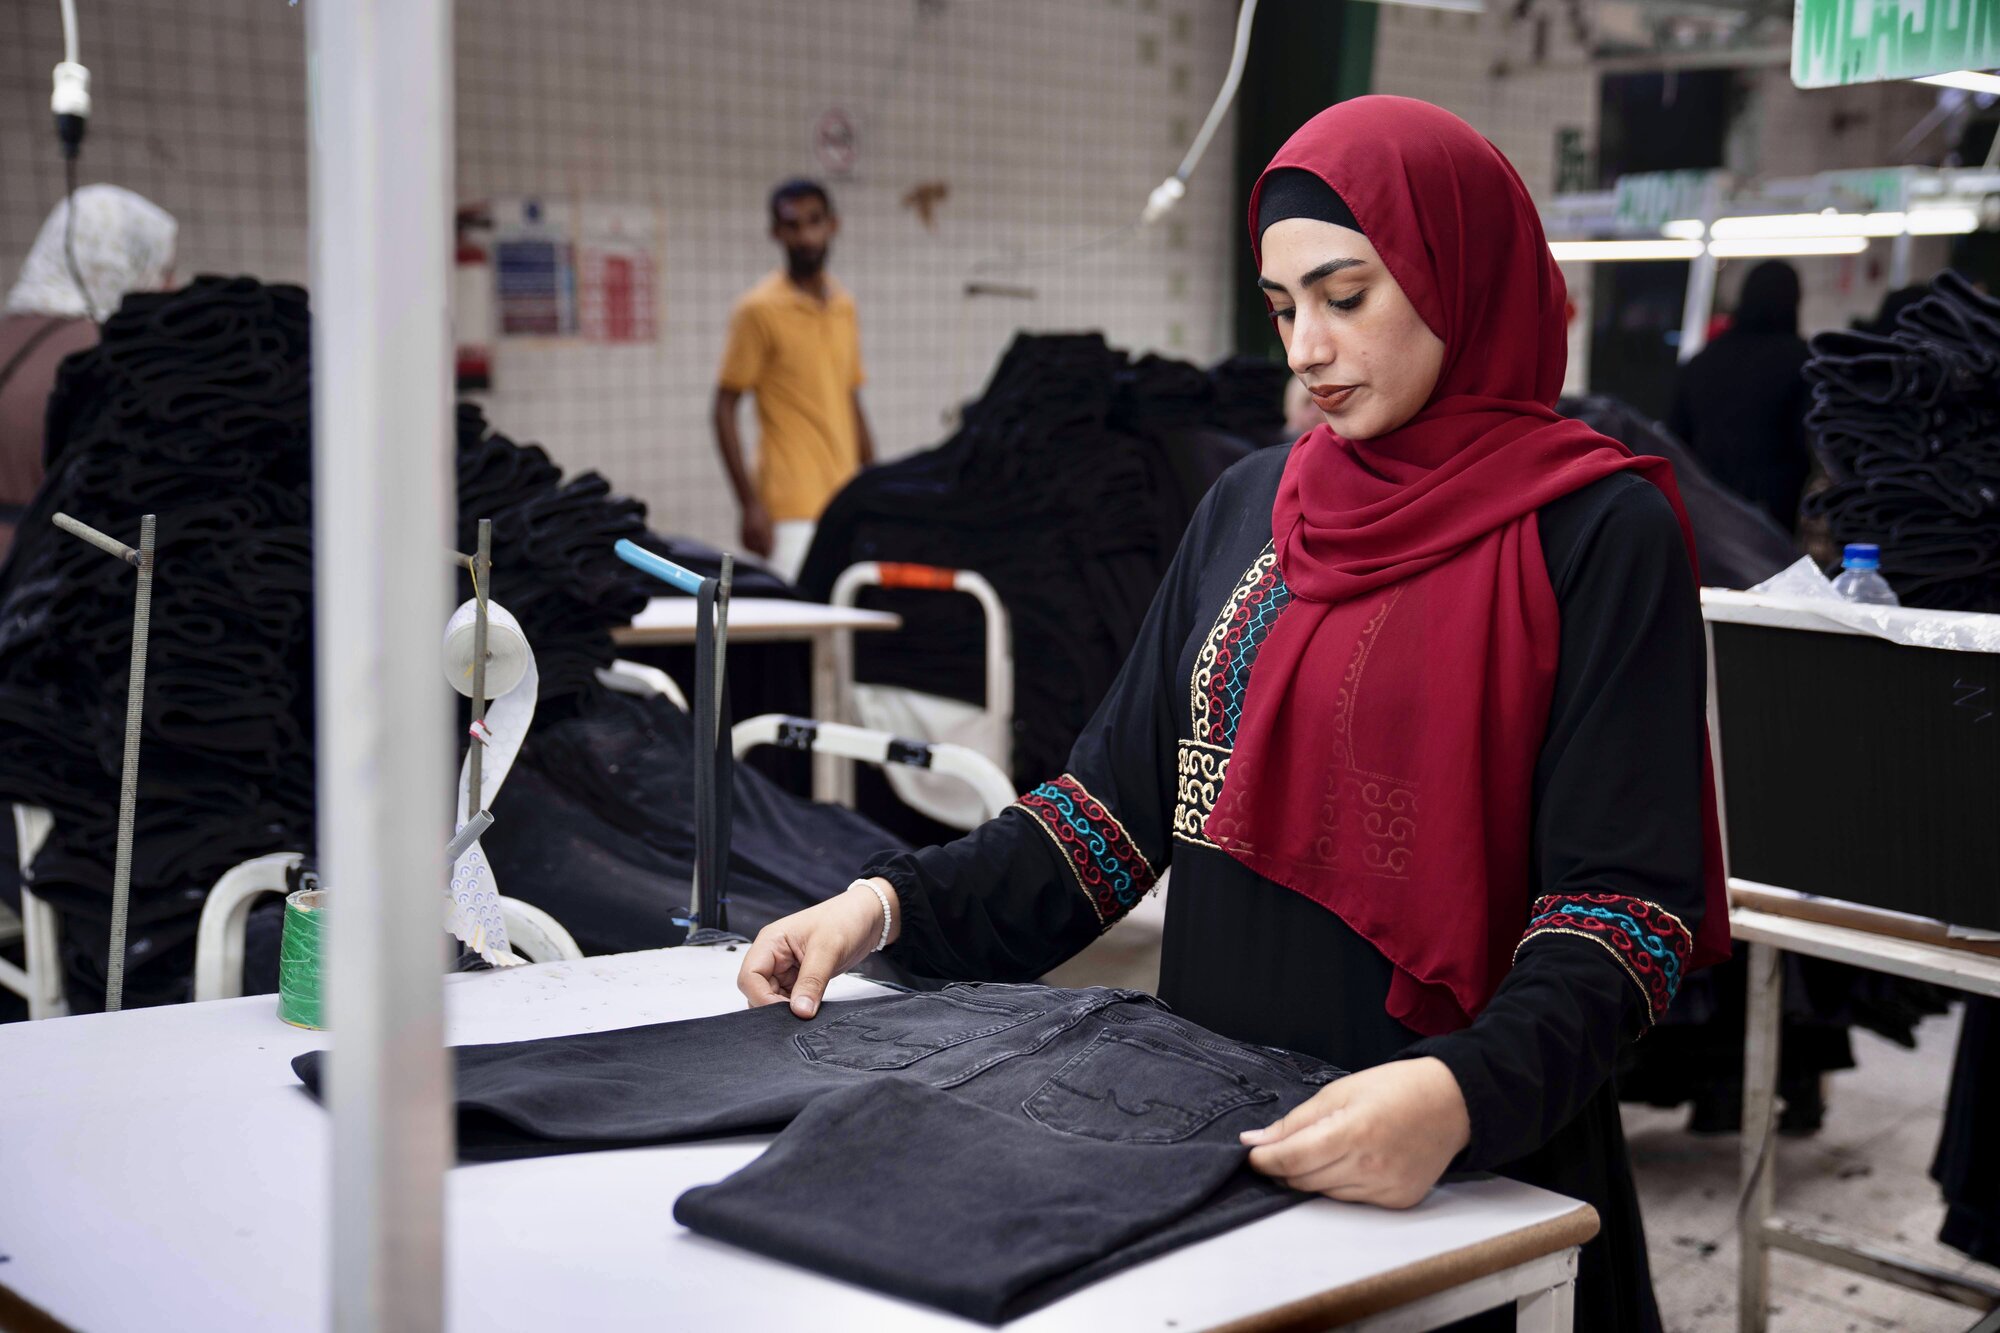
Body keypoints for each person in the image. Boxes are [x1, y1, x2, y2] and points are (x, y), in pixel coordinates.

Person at [738, 97, 1728, 1330]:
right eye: (1280, 308)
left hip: (1460, 1169)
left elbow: (1621, 914)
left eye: (1344, 294)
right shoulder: (1252, 506)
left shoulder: (1595, 532)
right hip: (1212, 1147)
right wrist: (882, 905)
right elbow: (1102, 819)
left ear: (1452, 272)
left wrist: (1461, 1094)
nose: (1305, 346)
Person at [0, 185, 176, 562]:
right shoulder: (107, 357)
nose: (170, 287)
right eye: (163, 270)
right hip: (46, 577)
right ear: (124, 262)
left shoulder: (9, 334)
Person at [713, 179, 875, 582]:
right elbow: (723, 408)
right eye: (793, 225)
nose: (805, 235)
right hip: (790, 513)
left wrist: (874, 483)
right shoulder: (759, 309)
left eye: (814, 222)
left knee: (845, 632)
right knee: (799, 634)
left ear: (832, 225)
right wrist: (749, 504)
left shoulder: (844, 305)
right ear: (776, 232)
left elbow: (850, 398)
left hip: (847, 501)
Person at [1667, 259, 1813, 531]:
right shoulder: (1802, 361)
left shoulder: (1702, 361)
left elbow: (1675, 439)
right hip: (1772, 512)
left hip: (1705, 507)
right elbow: (1806, 439)